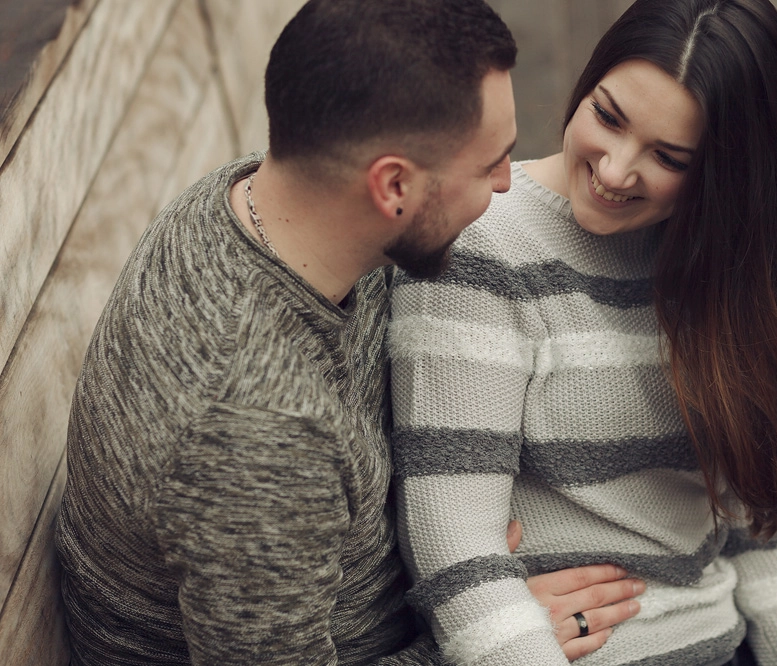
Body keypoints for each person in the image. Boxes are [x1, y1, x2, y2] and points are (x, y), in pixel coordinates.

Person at [388, 0, 777, 665]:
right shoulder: (482, 250)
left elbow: (765, 514)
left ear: (726, 172)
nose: (617, 170)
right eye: (607, 116)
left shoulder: (725, 262)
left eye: (669, 156)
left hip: (723, 629)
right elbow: (456, 548)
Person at [54, 1, 644, 664]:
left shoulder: (271, 194)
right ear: (392, 185)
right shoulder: (256, 434)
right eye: (489, 166)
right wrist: (480, 640)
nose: (509, 184)